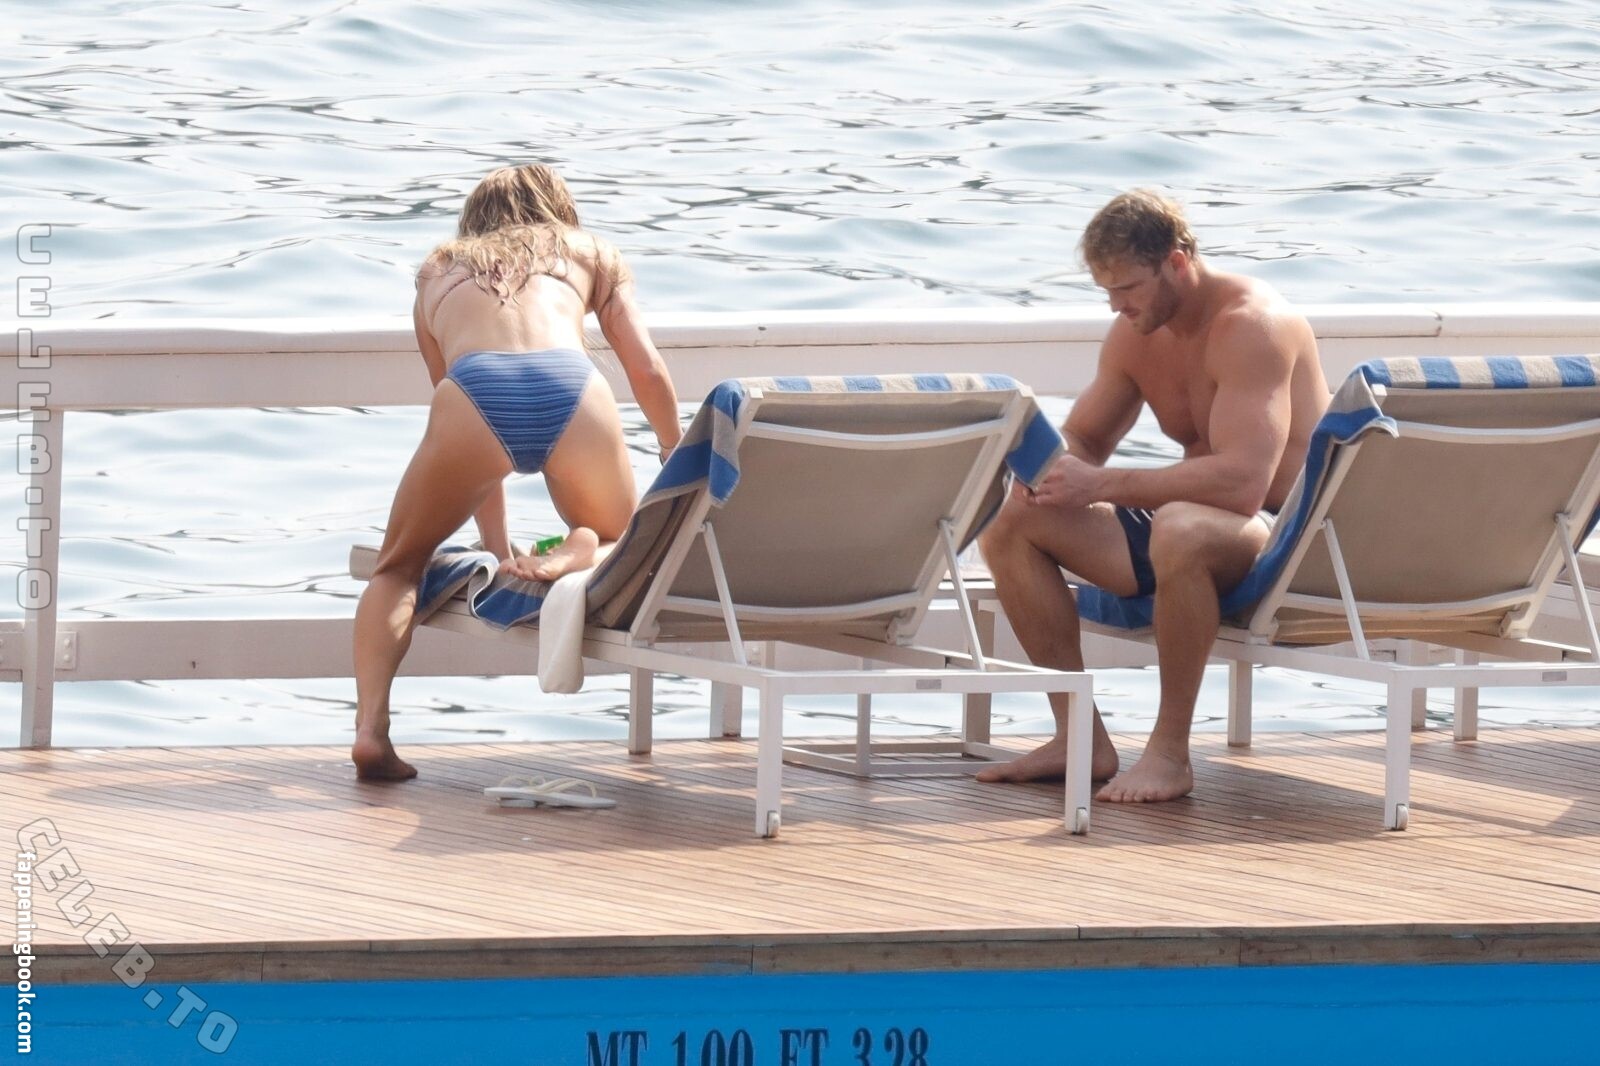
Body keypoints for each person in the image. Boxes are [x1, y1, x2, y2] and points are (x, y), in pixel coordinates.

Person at [977, 189, 1330, 803]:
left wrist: (1103, 484)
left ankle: (1169, 754)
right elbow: (1087, 438)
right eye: (1106, 292)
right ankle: (1079, 738)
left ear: (1176, 262)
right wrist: (1046, 474)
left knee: (1181, 528)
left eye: (1127, 288)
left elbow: (1244, 483)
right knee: (1010, 521)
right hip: (1190, 517)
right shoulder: (1137, 332)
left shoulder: (1252, 327)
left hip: (1281, 532)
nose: (1117, 306)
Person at [352, 163, 682, 782]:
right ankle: (579, 547)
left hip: (472, 392)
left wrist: (496, 549)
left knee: (397, 569)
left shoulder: (437, 269)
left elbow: (464, 422)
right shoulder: (588, 250)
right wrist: (672, 450)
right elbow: (647, 370)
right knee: (624, 539)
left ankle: (371, 730)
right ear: (560, 209)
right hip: (572, 386)